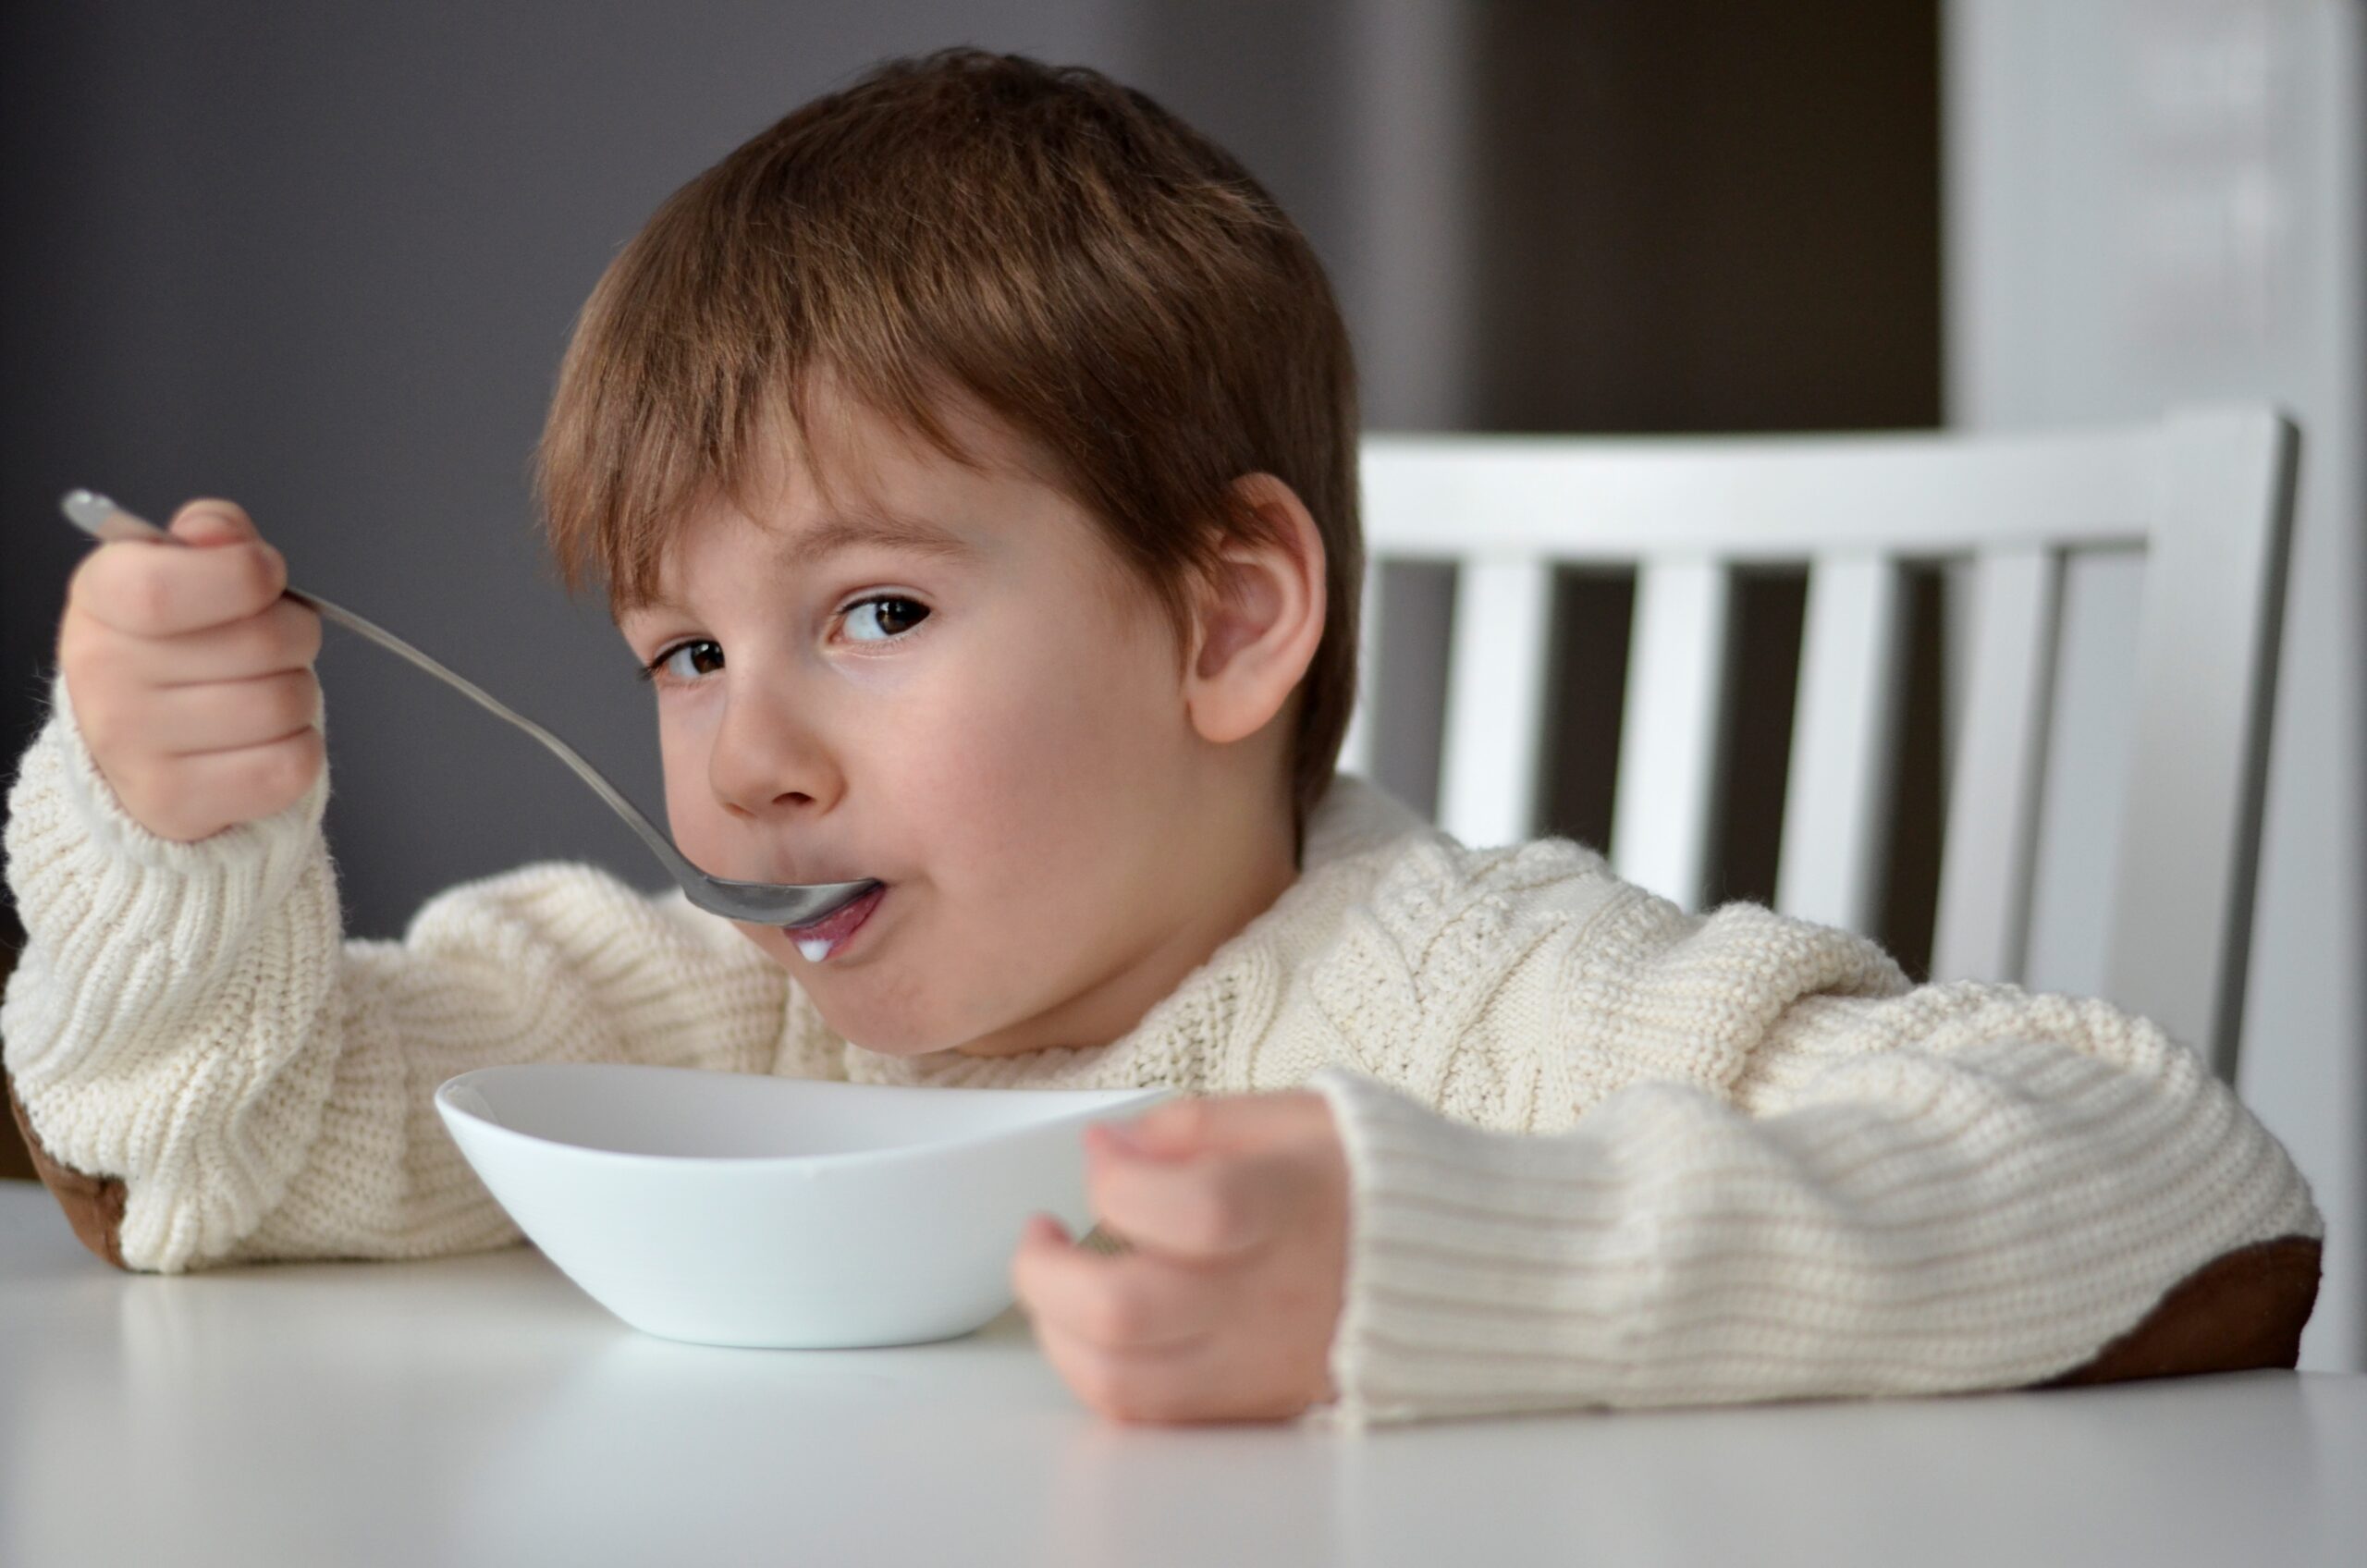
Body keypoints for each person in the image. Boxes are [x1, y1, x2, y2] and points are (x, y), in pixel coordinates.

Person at [2, 48, 2322, 1428]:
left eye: (873, 610)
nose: (747, 765)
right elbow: (211, 1155)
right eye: (682, 653)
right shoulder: (708, 1010)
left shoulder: (1473, 1001)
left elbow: (2174, 1178)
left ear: (1229, 617)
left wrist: (1446, 1257)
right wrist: (167, 826)